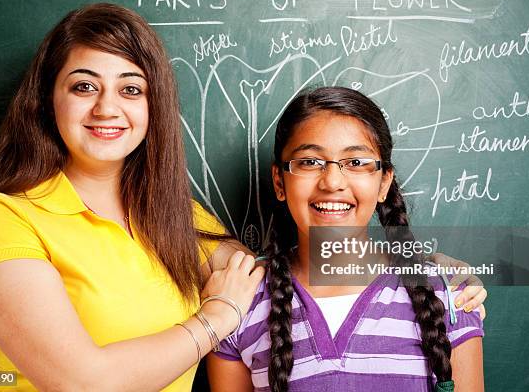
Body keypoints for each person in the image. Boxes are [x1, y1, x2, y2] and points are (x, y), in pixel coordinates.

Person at [0, 3, 265, 391]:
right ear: (49, 100)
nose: (107, 108)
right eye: (84, 86)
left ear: (153, 107)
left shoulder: (171, 213)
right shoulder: (0, 217)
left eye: (131, 89)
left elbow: (253, 277)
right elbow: (82, 383)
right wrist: (216, 316)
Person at [207, 87, 485, 391]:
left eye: (356, 162)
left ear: (383, 183)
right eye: (310, 162)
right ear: (279, 181)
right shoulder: (240, 302)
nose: (333, 182)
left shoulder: (448, 295)